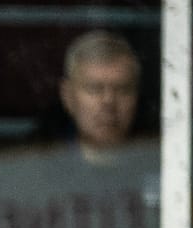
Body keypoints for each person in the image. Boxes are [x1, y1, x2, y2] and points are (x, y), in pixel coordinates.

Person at [59, 30, 142, 162]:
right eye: (95, 89)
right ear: (67, 96)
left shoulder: (167, 166)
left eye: (121, 89)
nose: (108, 101)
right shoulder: (36, 168)